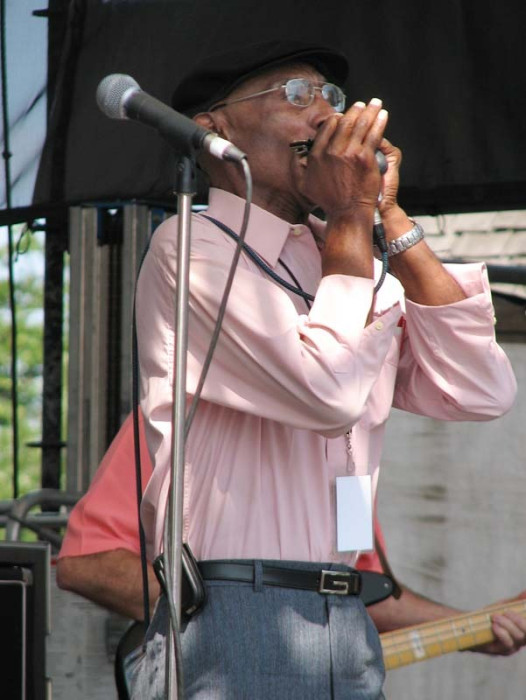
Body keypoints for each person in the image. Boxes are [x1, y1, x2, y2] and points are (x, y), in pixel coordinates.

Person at [103, 40, 520, 698]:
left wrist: (386, 216)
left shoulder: (345, 254)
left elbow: (481, 389)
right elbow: (326, 392)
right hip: (238, 607)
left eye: (332, 97)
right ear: (216, 129)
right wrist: (351, 218)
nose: (327, 116)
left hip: (348, 615)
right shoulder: (190, 246)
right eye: (296, 95)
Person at [57, 411, 526, 658]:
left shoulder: (350, 451)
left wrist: (474, 628)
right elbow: (87, 562)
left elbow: (362, 592)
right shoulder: (176, 415)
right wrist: (226, 625)